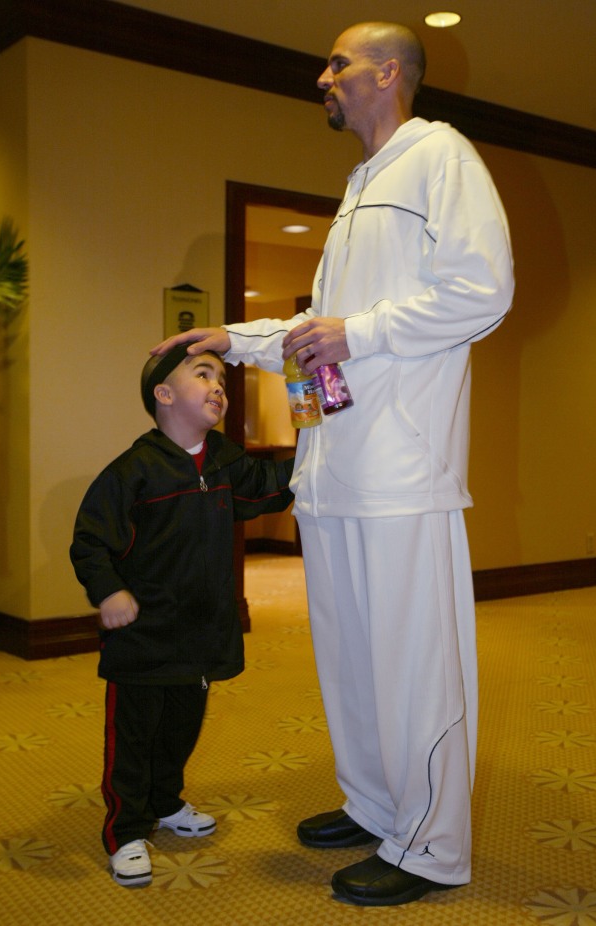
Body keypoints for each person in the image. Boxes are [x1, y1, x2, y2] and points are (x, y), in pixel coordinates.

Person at [151, 21, 514, 907]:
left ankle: (430, 847)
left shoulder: (442, 157)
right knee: (352, 664)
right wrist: (233, 341)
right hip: (335, 475)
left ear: (389, 71)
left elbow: (483, 290)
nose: (324, 76)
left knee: (411, 666)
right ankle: (378, 805)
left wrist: (359, 331)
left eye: (340, 63)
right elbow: (323, 335)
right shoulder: (361, 185)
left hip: (400, 475)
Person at [70, 346, 294, 888]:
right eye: (203, 374)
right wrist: (109, 593)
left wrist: (319, 441)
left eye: (221, 376)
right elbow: (90, 542)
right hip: (145, 636)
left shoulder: (221, 459)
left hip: (202, 629)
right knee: (135, 737)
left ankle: (167, 802)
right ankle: (126, 831)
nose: (218, 385)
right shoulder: (134, 471)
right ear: (164, 396)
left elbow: (266, 487)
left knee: (180, 728)